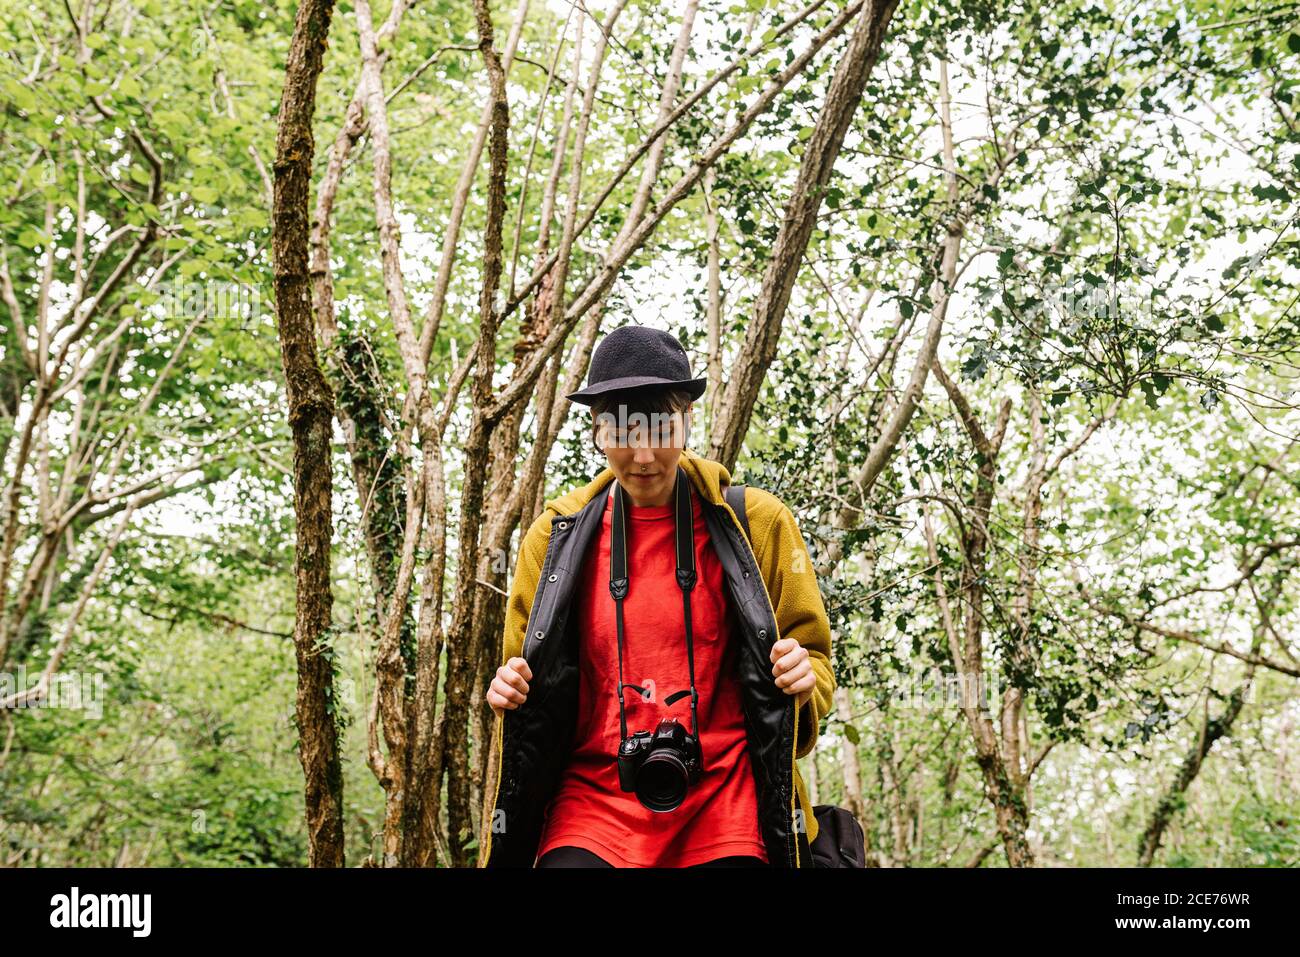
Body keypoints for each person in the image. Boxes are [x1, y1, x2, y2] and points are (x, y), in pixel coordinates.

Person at [479, 324, 834, 868]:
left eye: (660, 427)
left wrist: (801, 678)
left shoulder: (756, 524)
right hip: (595, 797)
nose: (642, 455)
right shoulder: (556, 538)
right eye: (621, 431)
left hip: (727, 795)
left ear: (687, 421)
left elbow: (815, 662)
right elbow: (518, 672)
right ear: (597, 431)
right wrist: (508, 687)